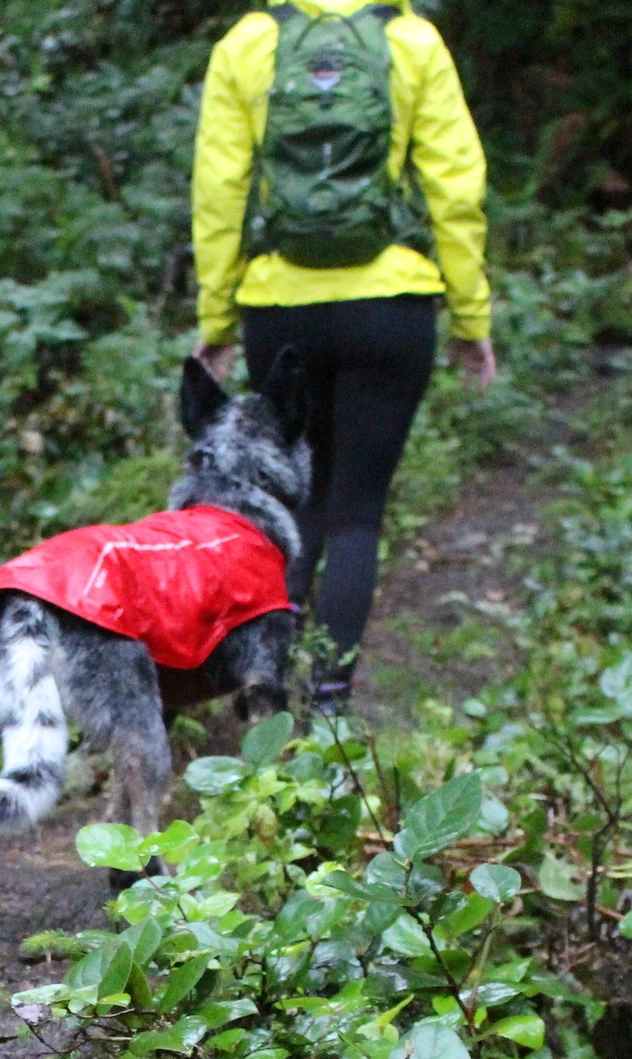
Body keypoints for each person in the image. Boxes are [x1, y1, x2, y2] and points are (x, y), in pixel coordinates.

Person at [191, 0, 495, 711]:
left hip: (278, 306)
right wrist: (471, 315)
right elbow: (456, 187)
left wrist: (218, 317)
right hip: (390, 308)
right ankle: (328, 707)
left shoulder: (250, 44)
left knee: (297, 504)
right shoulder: (413, 42)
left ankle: (265, 688)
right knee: (357, 513)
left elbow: (219, 192)